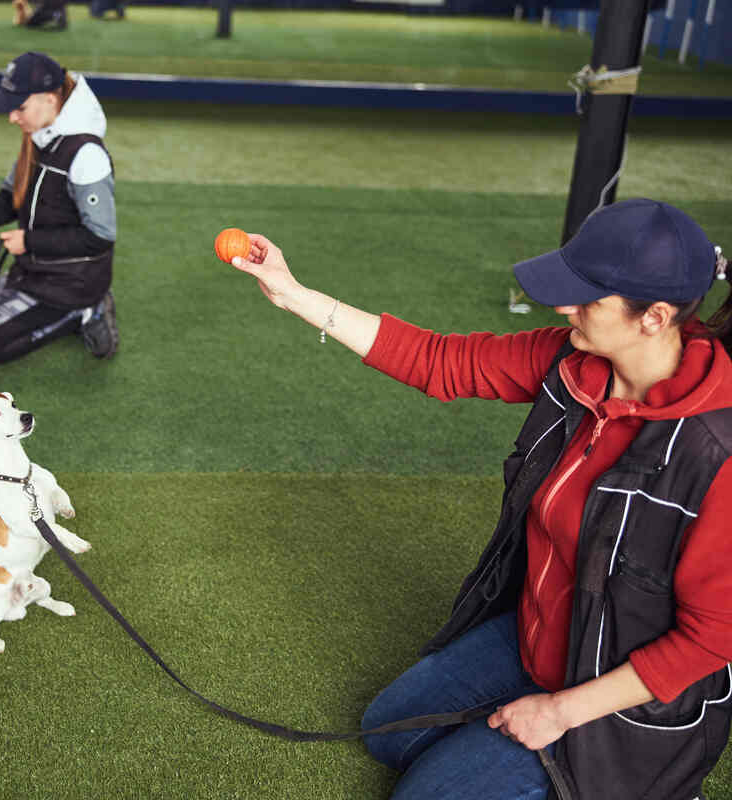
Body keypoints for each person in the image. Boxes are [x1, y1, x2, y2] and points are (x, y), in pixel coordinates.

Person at [228, 199, 732, 800]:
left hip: (616, 700)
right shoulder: (573, 362)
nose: (563, 306)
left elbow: (712, 639)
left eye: (586, 298)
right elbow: (440, 363)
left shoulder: (713, 452)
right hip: (539, 635)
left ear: (653, 316)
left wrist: (560, 712)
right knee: (386, 733)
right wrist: (293, 293)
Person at [0, 52, 119, 363]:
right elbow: (10, 200)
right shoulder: (38, 137)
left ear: (49, 99)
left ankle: (85, 312)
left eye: (19, 108)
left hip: (72, 283)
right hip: (31, 271)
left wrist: (29, 241)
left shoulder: (87, 155)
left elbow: (100, 237)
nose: (11, 118)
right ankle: (68, 310)